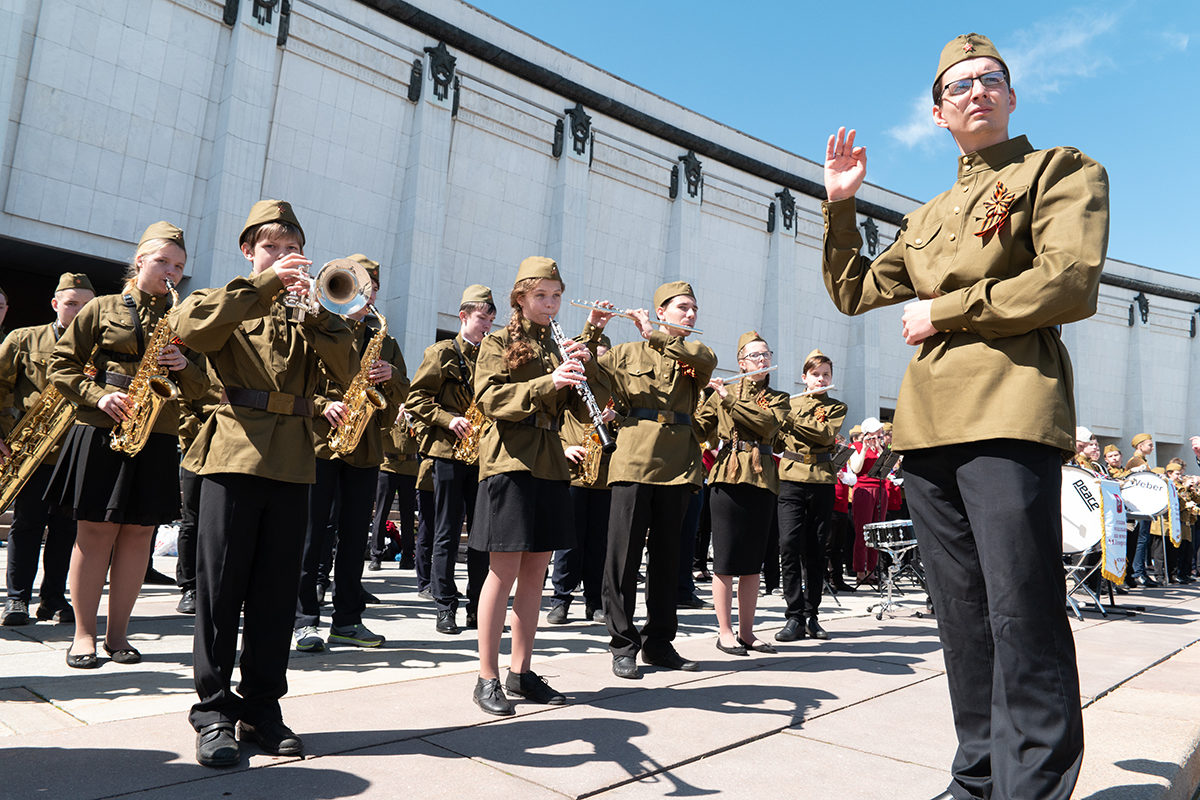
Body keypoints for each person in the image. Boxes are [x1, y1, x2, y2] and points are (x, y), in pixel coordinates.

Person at [821, 32, 1108, 800]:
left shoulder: (1059, 170)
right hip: (927, 428)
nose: (976, 91)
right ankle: (977, 776)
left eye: (991, 79)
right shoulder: (928, 216)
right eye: (959, 85)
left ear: (1011, 96)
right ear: (938, 113)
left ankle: (1033, 786)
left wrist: (944, 311)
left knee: (1023, 608)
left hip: (1010, 409)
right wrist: (841, 205)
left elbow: (1069, 281)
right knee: (962, 615)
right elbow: (853, 290)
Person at [170, 200, 355, 767]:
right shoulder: (226, 297)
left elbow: (349, 372)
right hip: (232, 453)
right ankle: (213, 712)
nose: (282, 256)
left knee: (277, 594)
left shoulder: (313, 313)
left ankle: (262, 709)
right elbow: (189, 330)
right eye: (270, 247)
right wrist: (266, 284)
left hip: (293, 460)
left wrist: (320, 316)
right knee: (221, 591)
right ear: (249, 251)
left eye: (291, 248)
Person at [47, 223, 207, 669]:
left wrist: (184, 365)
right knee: (95, 532)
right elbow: (62, 365)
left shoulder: (183, 317)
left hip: (157, 433)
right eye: (163, 262)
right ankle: (83, 634)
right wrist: (99, 395)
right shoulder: (102, 307)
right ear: (139, 261)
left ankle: (118, 635)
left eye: (179, 266)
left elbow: (204, 387)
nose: (171, 272)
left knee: (139, 536)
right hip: (102, 426)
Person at [468, 256, 604, 715]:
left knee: (535, 573)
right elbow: (489, 399)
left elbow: (581, 410)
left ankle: (521, 671)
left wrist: (587, 368)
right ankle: (487, 676)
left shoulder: (559, 346)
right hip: (509, 460)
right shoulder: (498, 342)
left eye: (556, 295)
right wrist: (550, 381)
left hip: (549, 463)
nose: (550, 303)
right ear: (520, 298)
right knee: (502, 572)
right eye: (541, 295)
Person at [592, 281, 716, 679]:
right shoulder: (625, 353)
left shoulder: (695, 353)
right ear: (660, 310)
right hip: (632, 459)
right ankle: (622, 644)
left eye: (694, 308)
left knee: (668, 559)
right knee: (623, 558)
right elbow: (588, 377)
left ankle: (659, 642)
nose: (690, 314)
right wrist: (593, 329)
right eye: (682, 307)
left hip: (678, 463)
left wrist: (655, 334)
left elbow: (704, 361)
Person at [294, 255, 408, 652]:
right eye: (361, 287)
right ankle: (304, 620)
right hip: (321, 444)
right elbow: (297, 381)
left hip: (364, 447)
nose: (368, 295)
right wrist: (323, 405)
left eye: (373, 288)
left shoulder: (384, 340)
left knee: (355, 537)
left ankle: (347, 620)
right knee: (311, 536)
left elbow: (399, 402)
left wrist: (393, 378)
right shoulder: (317, 327)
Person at [0, 273, 95, 627]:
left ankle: (53, 598)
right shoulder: (23, 339)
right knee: (27, 524)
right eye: (71, 303)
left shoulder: (101, 348)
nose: (79, 311)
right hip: (32, 450)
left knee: (66, 530)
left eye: (87, 306)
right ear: (55, 304)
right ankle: (17, 598)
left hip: (77, 451)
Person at [407, 286, 496, 634]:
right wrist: (448, 419)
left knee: (481, 537)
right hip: (447, 453)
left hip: (481, 457)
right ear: (463, 316)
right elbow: (416, 399)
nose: (487, 326)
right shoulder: (441, 352)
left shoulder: (492, 355)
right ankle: (445, 606)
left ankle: (478, 609)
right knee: (445, 532)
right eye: (481, 318)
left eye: (490, 320)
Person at [695, 331, 788, 656]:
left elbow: (768, 425)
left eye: (766, 354)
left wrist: (728, 399)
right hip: (727, 478)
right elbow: (698, 429)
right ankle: (725, 632)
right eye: (754, 356)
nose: (762, 360)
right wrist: (697, 393)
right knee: (725, 560)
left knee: (752, 563)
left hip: (763, 480)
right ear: (741, 362)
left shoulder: (778, 398)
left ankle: (747, 632)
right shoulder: (721, 392)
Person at [775, 348, 847, 642]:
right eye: (815, 374)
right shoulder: (789, 403)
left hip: (821, 480)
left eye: (826, 375)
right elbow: (777, 440)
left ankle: (811, 614)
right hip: (790, 479)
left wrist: (788, 418)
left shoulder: (836, 407)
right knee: (789, 546)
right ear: (803, 377)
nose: (821, 379)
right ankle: (794, 616)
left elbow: (825, 434)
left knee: (817, 549)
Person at [548, 335, 615, 626]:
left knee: (598, 544)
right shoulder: (567, 385)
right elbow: (550, 422)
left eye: (596, 356)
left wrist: (616, 416)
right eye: (587, 355)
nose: (590, 360)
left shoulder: (610, 385)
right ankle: (560, 600)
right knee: (568, 543)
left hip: (603, 475)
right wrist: (563, 448)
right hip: (573, 474)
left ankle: (595, 602)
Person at [369, 405, 420, 571]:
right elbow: (378, 434)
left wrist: (413, 422)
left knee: (408, 516)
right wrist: (395, 420)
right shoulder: (387, 411)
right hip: (388, 467)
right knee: (381, 513)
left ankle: (407, 557)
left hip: (410, 468)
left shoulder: (413, 413)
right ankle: (376, 556)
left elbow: (423, 439)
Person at [847, 418, 887, 585]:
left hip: (880, 490)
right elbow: (856, 468)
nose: (880, 434)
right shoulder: (855, 446)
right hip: (863, 490)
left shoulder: (879, 447)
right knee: (862, 531)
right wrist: (864, 447)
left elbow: (887, 469)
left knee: (876, 532)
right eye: (877, 431)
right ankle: (860, 571)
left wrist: (879, 448)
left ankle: (871, 569)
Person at [1126, 433, 1157, 587]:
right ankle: (1137, 572)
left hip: (1144, 505)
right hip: (1138, 506)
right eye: (1149, 445)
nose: (1152, 447)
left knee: (1143, 540)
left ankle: (1138, 571)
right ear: (1140, 446)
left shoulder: (1143, 461)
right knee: (1140, 540)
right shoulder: (1135, 461)